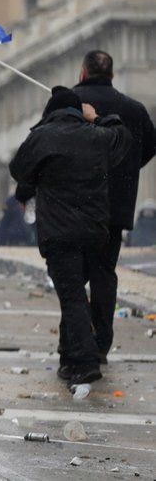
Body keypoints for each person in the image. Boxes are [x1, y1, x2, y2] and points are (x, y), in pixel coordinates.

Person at [9, 86, 130, 386]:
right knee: (74, 296)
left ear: (51, 112)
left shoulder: (43, 137)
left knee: (72, 295)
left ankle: (86, 362)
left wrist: (41, 129)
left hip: (59, 233)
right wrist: (98, 118)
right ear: (80, 112)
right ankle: (69, 356)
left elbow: (18, 169)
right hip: (94, 232)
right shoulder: (96, 136)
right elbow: (122, 137)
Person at [71, 50, 156, 363]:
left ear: (82, 73)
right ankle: (101, 343)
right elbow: (150, 145)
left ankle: (76, 341)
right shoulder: (133, 109)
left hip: (76, 206)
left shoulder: (68, 103)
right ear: (112, 76)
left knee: (74, 277)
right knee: (104, 273)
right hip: (115, 208)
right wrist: (128, 168)